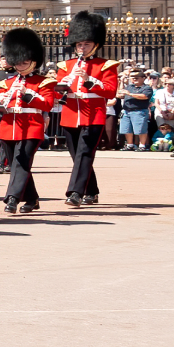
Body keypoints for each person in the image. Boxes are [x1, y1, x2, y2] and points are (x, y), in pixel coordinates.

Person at [0, 27, 60, 215]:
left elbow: (47, 105)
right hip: (8, 127)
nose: (21, 65)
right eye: (18, 62)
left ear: (34, 61)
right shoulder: (6, 83)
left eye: (25, 62)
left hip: (31, 126)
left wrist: (29, 94)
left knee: (20, 162)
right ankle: (31, 199)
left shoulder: (44, 82)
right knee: (19, 163)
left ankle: (12, 198)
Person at [54, 11, 117, 206]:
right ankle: (92, 190)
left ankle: (75, 193)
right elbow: (56, 92)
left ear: (96, 45)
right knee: (78, 157)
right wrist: (62, 85)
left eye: (86, 44)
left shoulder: (106, 65)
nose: (82, 47)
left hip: (94, 115)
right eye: (79, 44)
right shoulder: (66, 65)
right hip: (71, 114)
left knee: (84, 154)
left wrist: (90, 80)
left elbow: (110, 92)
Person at [117, 69, 153, 152]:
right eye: (132, 77)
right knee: (126, 129)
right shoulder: (129, 87)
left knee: (141, 129)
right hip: (126, 110)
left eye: (137, 77)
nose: (134, 79)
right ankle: (130, 145)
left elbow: (144, 96)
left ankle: (142, 145)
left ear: (143, 78)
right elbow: (120, 93)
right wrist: (121, 81)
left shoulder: (146, 88)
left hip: (139, 111)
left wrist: (130, 94)